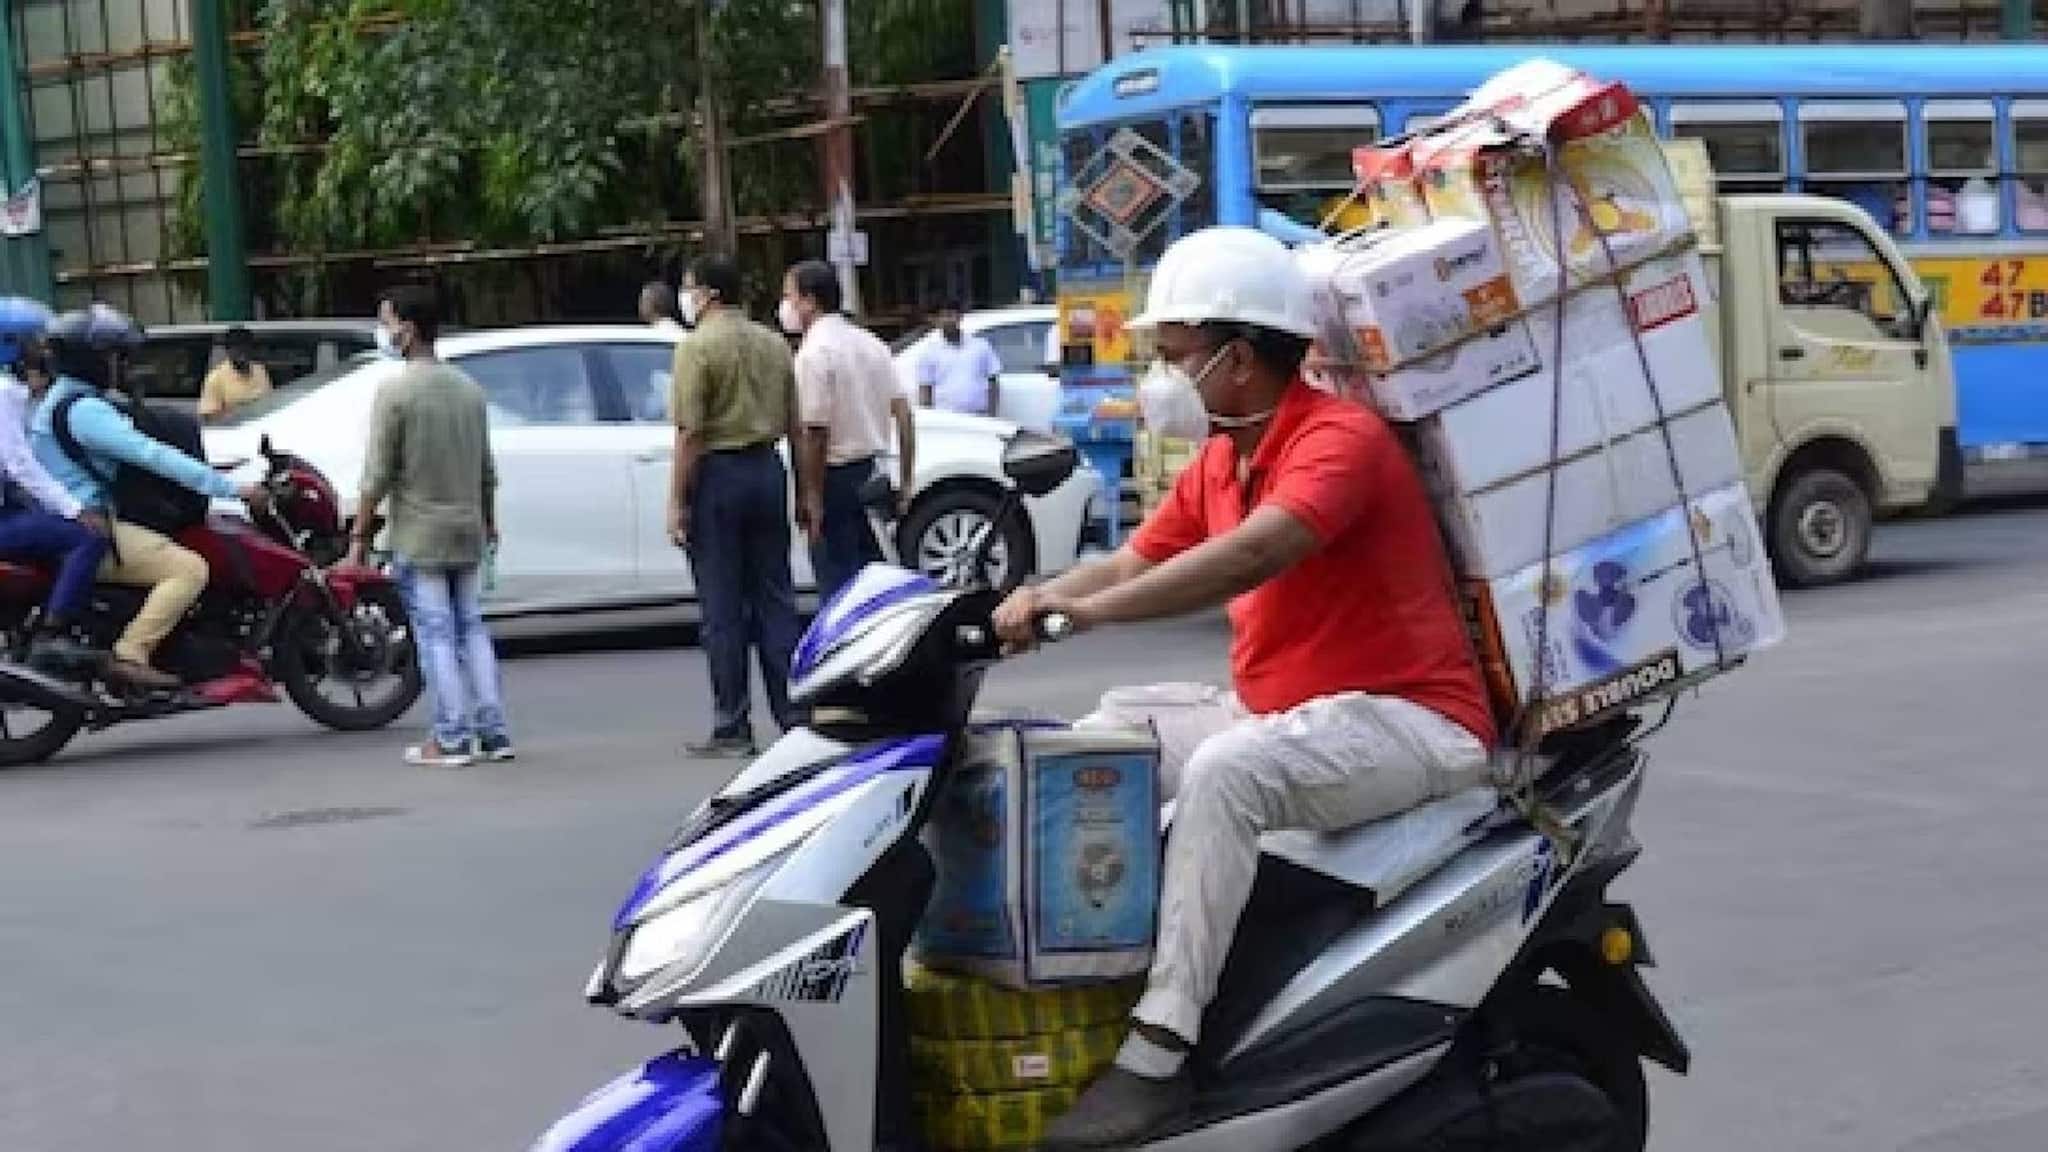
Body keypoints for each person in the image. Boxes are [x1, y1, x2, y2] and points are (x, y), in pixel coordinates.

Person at [993, 227, 1497, 1147]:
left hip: (1413, 718)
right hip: (1293, 710)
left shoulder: (1338, 441)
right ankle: (1094, 965)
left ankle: (1158, 1054)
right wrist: (1030, 601)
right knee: (1108, 735)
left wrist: (1087, 615)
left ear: (1241, 355)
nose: (1162, 377)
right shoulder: (1225, 456)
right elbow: (1134, 560)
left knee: (1227, 775)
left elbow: (1252, 555)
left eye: (1176, 354)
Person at [31, 304, 266, 691]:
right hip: (90, 525)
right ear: (90, 360)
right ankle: (131, 655)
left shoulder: (59, 400)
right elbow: (151, 455)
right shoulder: (84, 411)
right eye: (115, 357)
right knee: (189, 569)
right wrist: (230, 489)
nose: (122, 366)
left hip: (71, 522)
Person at [345, 285, 513, 768]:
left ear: (408, 329)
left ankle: (451, 738)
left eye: (387, 322)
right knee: (472, 628)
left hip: (420, 534)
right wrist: (489, 522)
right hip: (467, 528)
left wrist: (358, 537)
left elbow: (376, 474)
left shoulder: (395, 393)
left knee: (436, 635)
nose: (384, 332)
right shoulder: (469, 390)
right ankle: (494, 732)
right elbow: (485, 470)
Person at [671, 255, 808, 756]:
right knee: (776, 600)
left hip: (718, 476)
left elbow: (690, 433)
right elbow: (796, 427)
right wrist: (806, 493)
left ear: (707, 294)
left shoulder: (696, 348)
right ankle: (793, 714)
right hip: (767, 471)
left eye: (689, 288)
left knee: (723, 607)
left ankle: (732, 724)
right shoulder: (774, 344)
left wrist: (677, 501)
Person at [779, 259, 916, 603]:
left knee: (838, 585)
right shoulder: (872, 344)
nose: (786, 306)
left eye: (789, 296)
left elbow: (815, 433)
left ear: (809, 301)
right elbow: (903, 415)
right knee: (873, 582)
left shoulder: (813, 354)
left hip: (834, 480)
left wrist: (811, 497)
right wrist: (906, 480)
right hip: (873, 473)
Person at [0, 298, 108, 665]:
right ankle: (53, 633)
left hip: (9, 506)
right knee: (87, 538)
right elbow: (20, 464)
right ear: (12, 344)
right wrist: (75, 508)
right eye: (35, 342)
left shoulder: (20, 391)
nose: (43, 351)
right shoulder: (4, 392)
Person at [914, 301, 1002, 416]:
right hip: (947, 417)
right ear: (937, 321)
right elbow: (925, 388)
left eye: (951, 315)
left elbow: (993, 382)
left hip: (980, 416)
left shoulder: (981, 346)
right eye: (943, 316)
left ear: (960, 317)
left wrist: (992, 415)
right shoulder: (929, 352)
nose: (947, 320)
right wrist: (927, 418)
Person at [196, 325, 272, 423]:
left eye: (246, 347)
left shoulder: (260, 370)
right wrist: (238, 412)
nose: (242, 352)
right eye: (237, 349)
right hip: (233, 429)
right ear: (228, 351)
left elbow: (271, 402)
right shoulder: (215, 378)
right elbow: (209, 417)